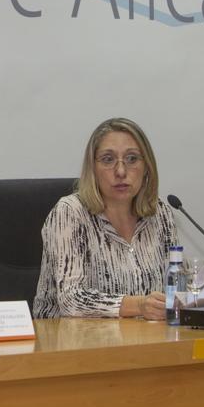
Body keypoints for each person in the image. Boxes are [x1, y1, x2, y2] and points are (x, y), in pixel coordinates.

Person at [33, 118, 177, 320]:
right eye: (108, 160)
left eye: (132, 159)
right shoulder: (70, 213)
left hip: (143, 342)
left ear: (147, 167)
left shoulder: (160, 214)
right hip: (71, 345)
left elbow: (175, 287)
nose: (121, 171)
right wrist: (139, 305)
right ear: (93, 169)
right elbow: (71, 300)